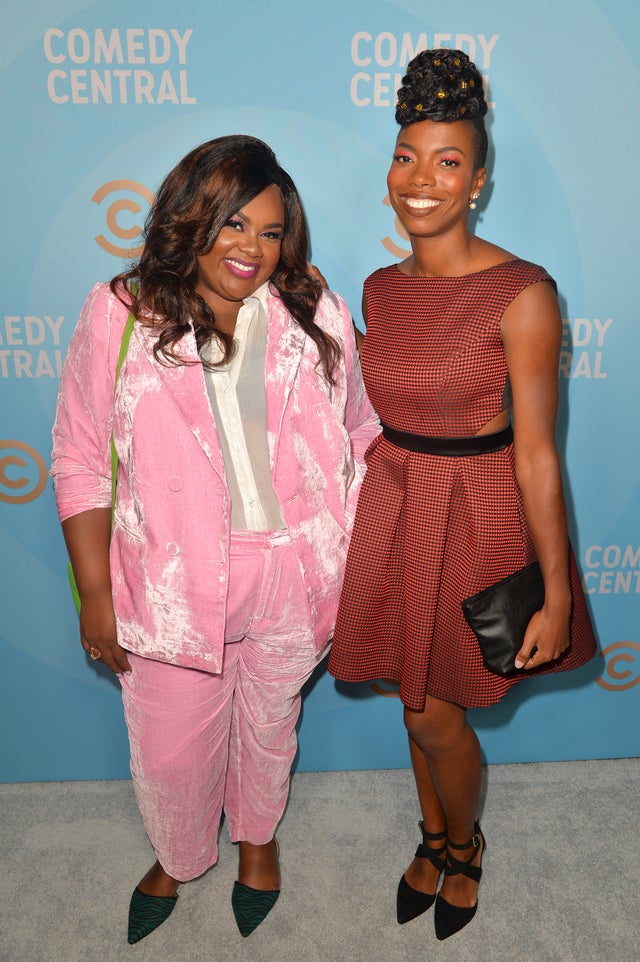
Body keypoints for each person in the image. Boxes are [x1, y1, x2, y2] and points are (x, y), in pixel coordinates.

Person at [51, 134, 379, 944]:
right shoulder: (120, 312)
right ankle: (180, 852)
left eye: (271, 232)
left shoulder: (316, 311)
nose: (253, 249)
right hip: (170, 580)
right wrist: (96, 596)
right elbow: (81, 456)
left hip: (294, 573)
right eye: (234, 223)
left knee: (270, 724)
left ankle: (258, 841)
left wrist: (351, 551)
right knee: (171, 753)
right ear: (192, 214)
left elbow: (363, 434)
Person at [328, 50, 597, 941]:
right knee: (414, 699)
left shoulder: (523, 293)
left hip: (475, 516)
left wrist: (557, 597)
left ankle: (466, 844)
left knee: (434, 710)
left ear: (478, 181)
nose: (421, 179)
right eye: (407, 155)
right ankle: (434, 834)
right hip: (396, 509)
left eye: (448, 162)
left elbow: (538, 459)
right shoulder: (377, 288)